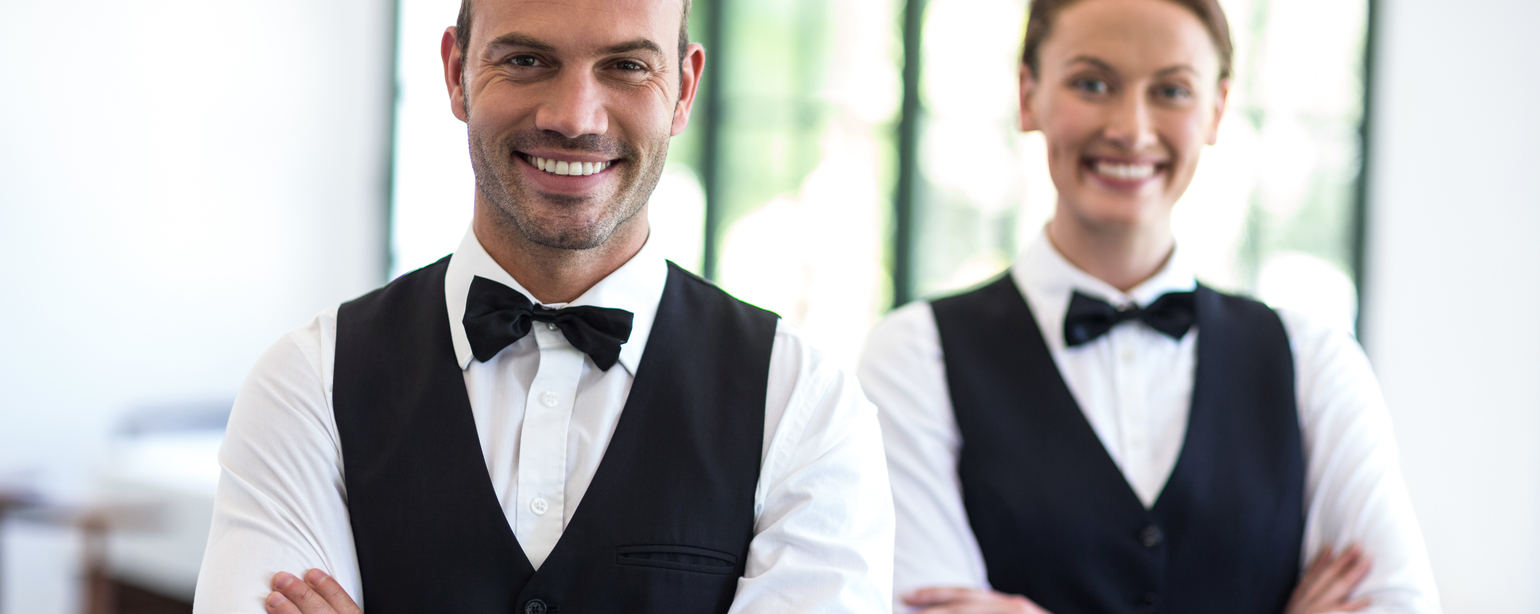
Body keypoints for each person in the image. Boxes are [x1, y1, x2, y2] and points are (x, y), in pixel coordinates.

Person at [191, 1, 895, 613]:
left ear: (683, 89)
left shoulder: (804, 406)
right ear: (455, 72)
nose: (573, 118)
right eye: (527, 59)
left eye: (625, 67)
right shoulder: (308, 385)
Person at [857, 0, 1440, 612]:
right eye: (1092, 83)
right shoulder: (915, 357)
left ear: (1216, 108)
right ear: (1028, 95)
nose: (1131, 129)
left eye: (1171, 90)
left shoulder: (1312, 362)